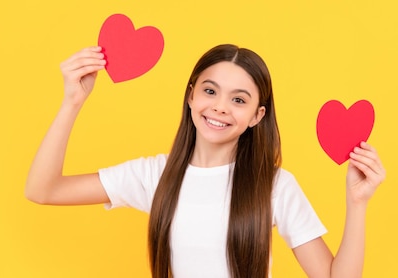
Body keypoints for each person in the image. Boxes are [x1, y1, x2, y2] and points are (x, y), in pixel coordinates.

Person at [25, 44, 386, 278]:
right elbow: (43, 189)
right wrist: (72, 102)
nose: (219, 107)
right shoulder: (155, 175)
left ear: (257, 116)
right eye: (210, 91)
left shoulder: (274, 187)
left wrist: (358, 203)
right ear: (191, 95)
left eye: (239, 100)